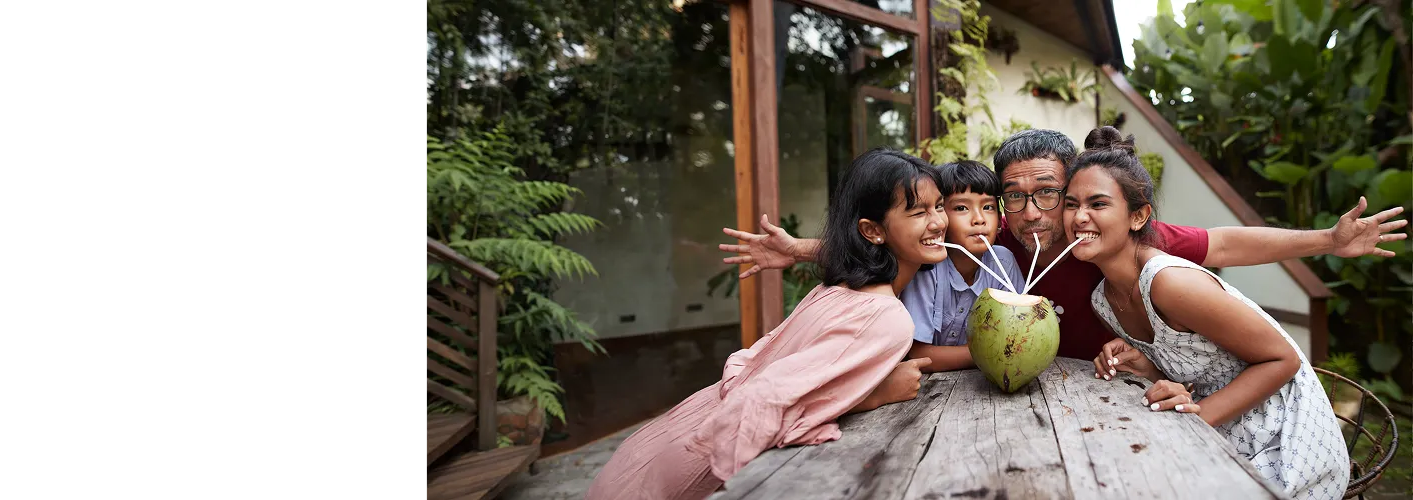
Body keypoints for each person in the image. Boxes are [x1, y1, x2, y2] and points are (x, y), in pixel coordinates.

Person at [719, 129, 1407, 362]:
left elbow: (1225, 241)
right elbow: (915, 242)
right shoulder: (998, 249)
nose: (1030, 212)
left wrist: (1327, 240)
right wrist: (803, 249)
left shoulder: (1112, 240)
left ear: (1073, 189)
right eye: (1012, 196)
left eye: (1048, 193)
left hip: (1128, 392)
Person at [585, 149, 948, 500]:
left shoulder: (837, 289)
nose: (939, 222)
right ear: (872, 230)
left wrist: (798, 249)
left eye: (940, 206)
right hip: (692, 469)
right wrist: (875, 394)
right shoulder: (885, 316)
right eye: (919, 212)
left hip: (656, 446)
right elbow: (759, 404)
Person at [1071, 127, 1348, 499]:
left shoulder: (1169, 282)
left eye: (1098, 204)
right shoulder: (1103, 300)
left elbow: (1283, 359)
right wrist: (1147, 368)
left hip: (1286, 442)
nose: (1079, 217)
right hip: (1216, 430)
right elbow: (1197, 371)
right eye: (1071, 204)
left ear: (1138, 216)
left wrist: (1196, 415)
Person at [902, 160, 1024, 372]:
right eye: (961, 208)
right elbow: (919, 355)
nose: (979, 219)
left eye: (988, 207)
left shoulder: (1003, 263)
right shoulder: (927, 266)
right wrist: (991, 353)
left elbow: (1020, 332)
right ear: (940, 216)